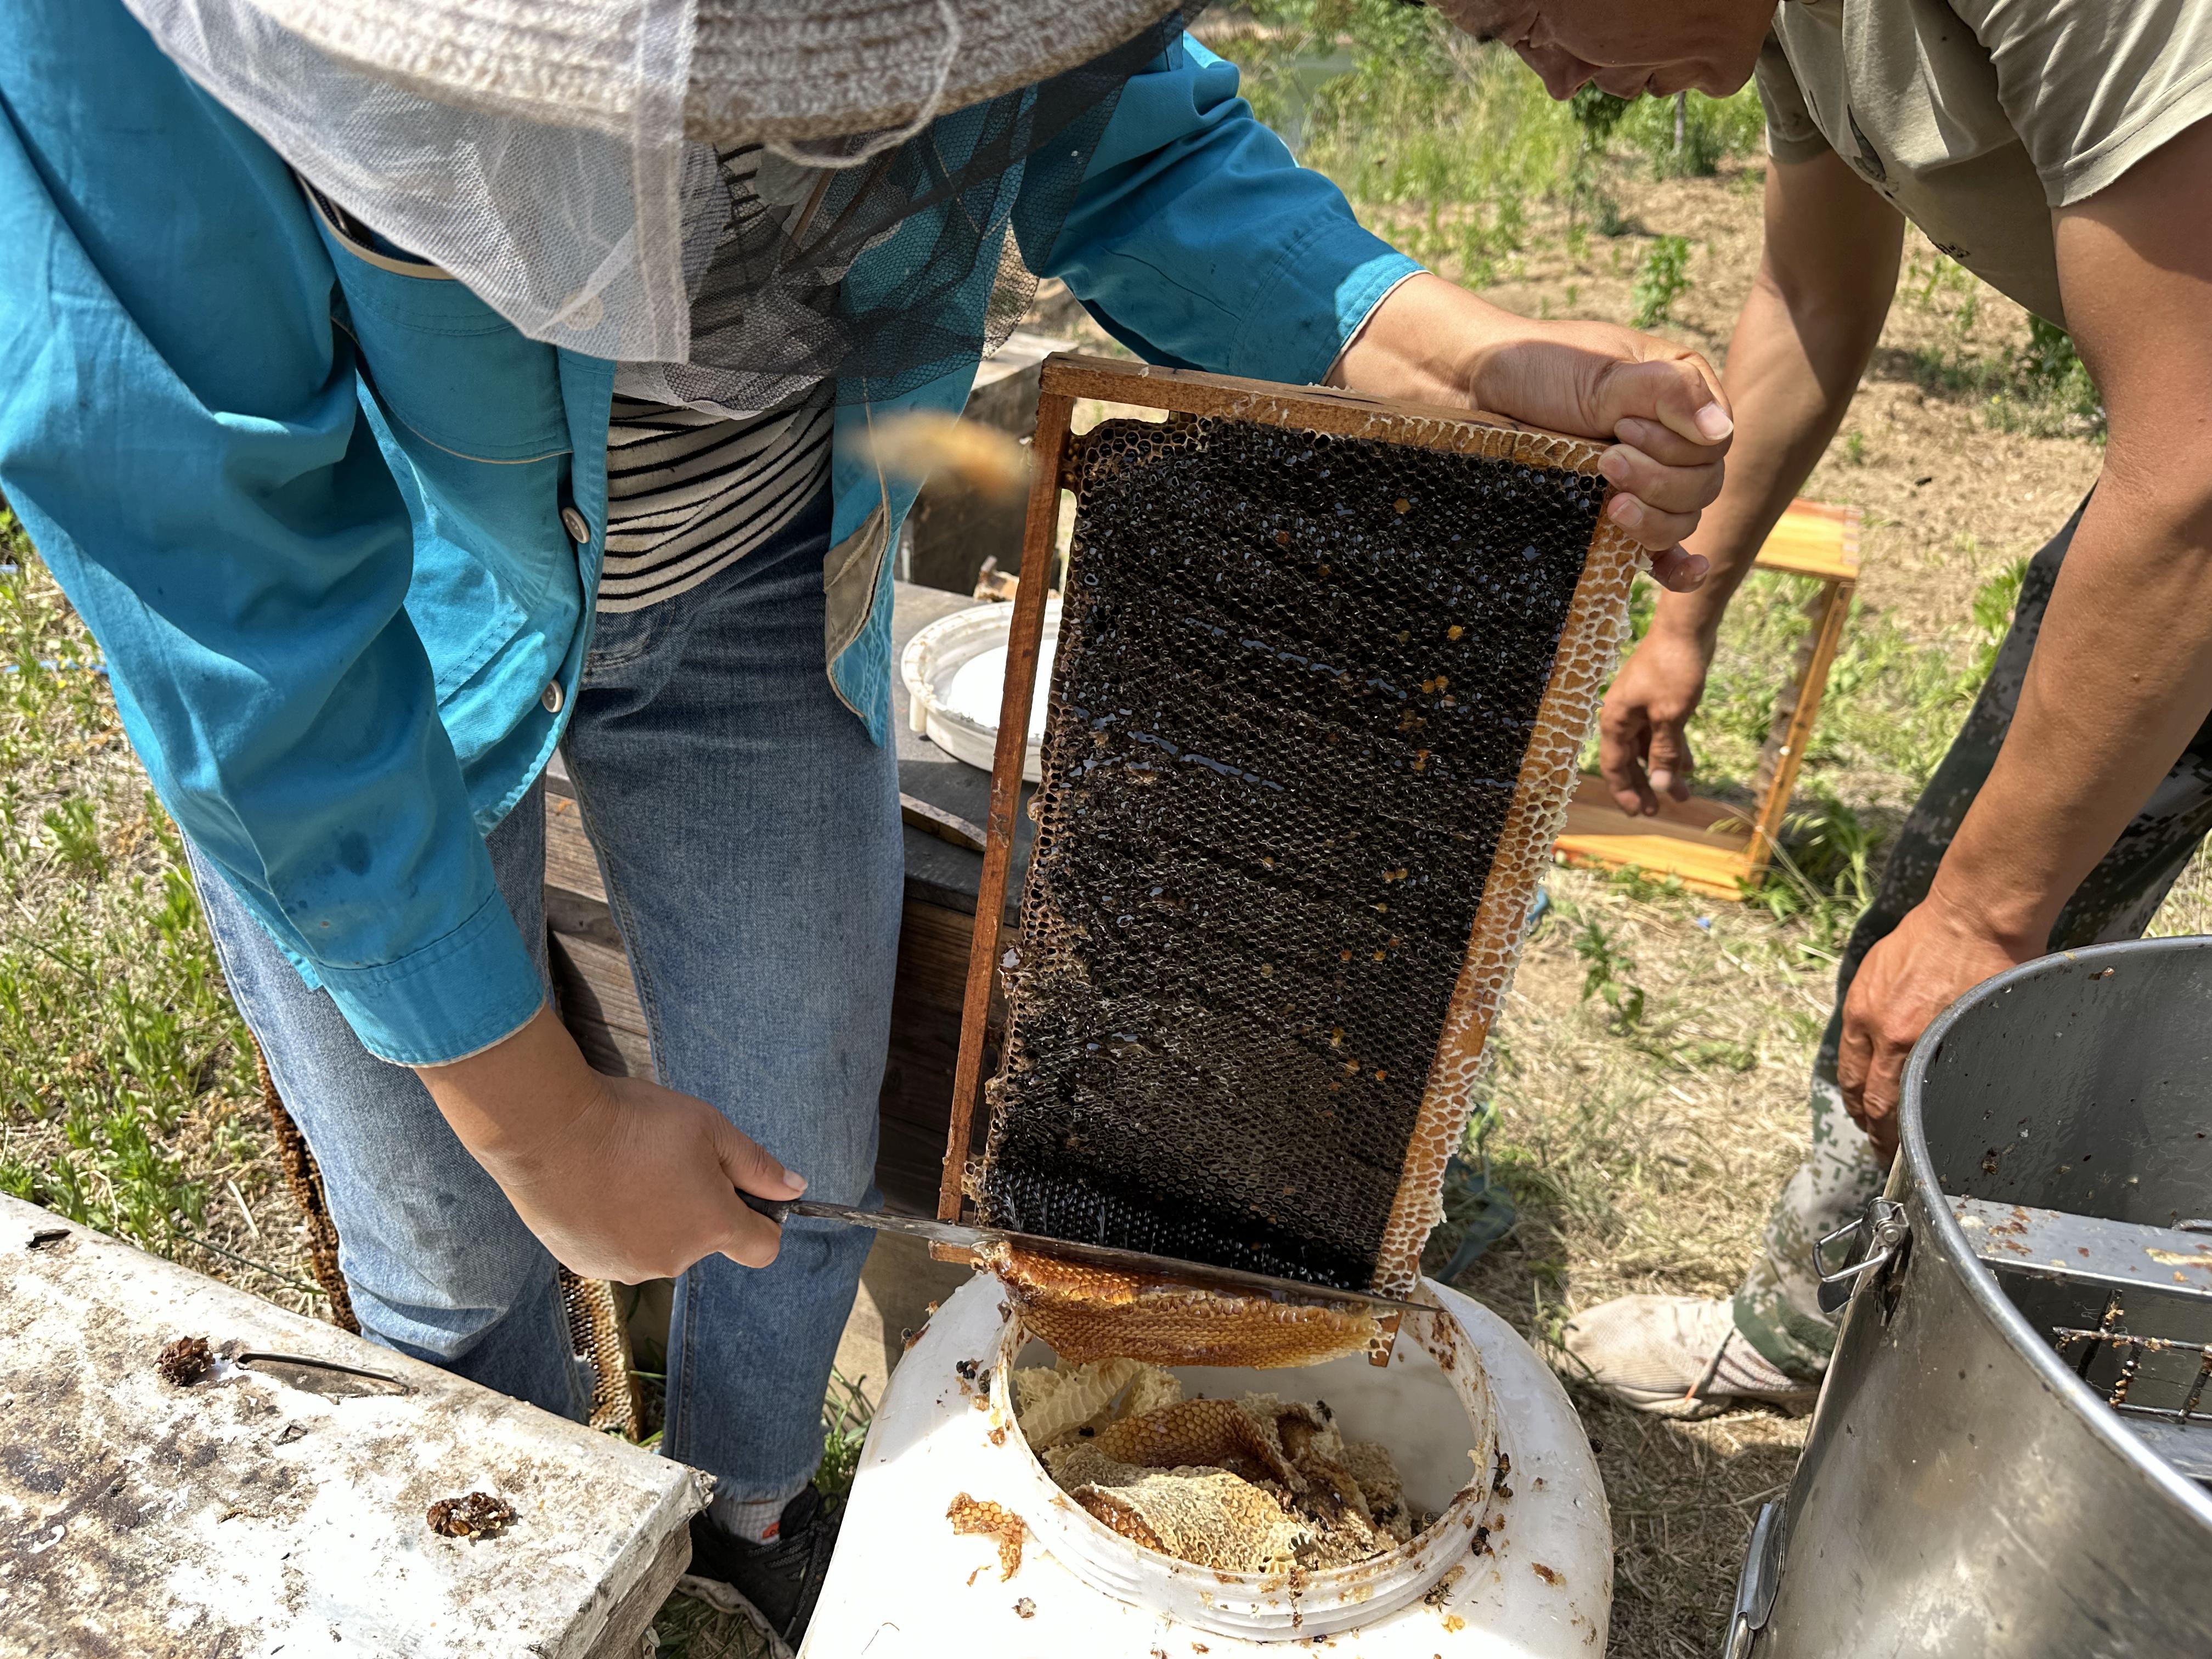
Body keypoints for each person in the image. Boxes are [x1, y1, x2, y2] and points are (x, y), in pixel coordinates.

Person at [0, 0, 1730, 1644]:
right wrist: (542, 1131)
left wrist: (1458, 359)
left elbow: (1111, 133)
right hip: (378, 636)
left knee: (800, 1133)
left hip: (762, 581)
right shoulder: (126, 44)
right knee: (445, 1227)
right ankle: (514, 1533)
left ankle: (742, 1520)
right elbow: (219, 567)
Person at [1435, 0, 2212, 1415]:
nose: (1545, 75)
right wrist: (1685, 610)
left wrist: (1987, 917)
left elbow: (2200, 471)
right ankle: (1818, 1327)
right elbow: (1813, 296)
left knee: (1968, 941)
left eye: (1522, 17)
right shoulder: (1793, 26)